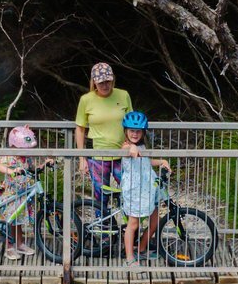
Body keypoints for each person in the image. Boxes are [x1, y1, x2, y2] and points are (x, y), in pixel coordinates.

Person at [73, 62, 133, 208]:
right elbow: (80, 129)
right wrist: (82, 158)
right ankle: (102, 227)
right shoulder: (86, 99)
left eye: (108, 81)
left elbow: (131, 123)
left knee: (130, 190)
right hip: (97, 156)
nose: (105, 85)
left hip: (122, 153)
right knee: (101, 196)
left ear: (112, 79)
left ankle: (129, 227)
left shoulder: (123, 95)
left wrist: (131, 144)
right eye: (101, 82)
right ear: (94, 82)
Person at [115, 111, 170, 262]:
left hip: (149, 188)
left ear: (143, 132)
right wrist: (131, 149)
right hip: (135, 191)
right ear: (125, 131)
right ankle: (129, 258)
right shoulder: (126, 146)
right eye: (132, 130)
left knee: (155, 221)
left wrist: (161, 161)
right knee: (133, 224)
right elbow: (129, 151)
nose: (135, 133)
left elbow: (146, 162)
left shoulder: (142, 146)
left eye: (138, 131)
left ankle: (141, 247)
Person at [0, 125, 42, 260]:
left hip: (23, 194)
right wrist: (12, 171)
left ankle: (20, 244)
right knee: (10, 221)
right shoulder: (10, 156)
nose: (27, 151)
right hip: (11, 195)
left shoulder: (27, 158)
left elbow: (32, 169)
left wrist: (44, 165)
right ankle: (8, 248)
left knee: (19, 221)